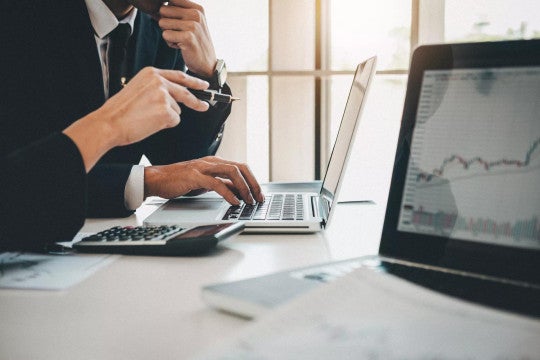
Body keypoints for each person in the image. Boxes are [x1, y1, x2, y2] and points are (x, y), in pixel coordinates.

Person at [0, 0, 264, 220]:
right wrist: (148, 181)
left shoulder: (159, 27)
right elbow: (20, 180)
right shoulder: (17, 18)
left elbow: (177, 160)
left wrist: (208, 72)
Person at [0, 68, 261, 252]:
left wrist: (207, 70)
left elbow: (178, 154)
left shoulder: (154, 25)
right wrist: (110, 128)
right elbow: (17, 183)